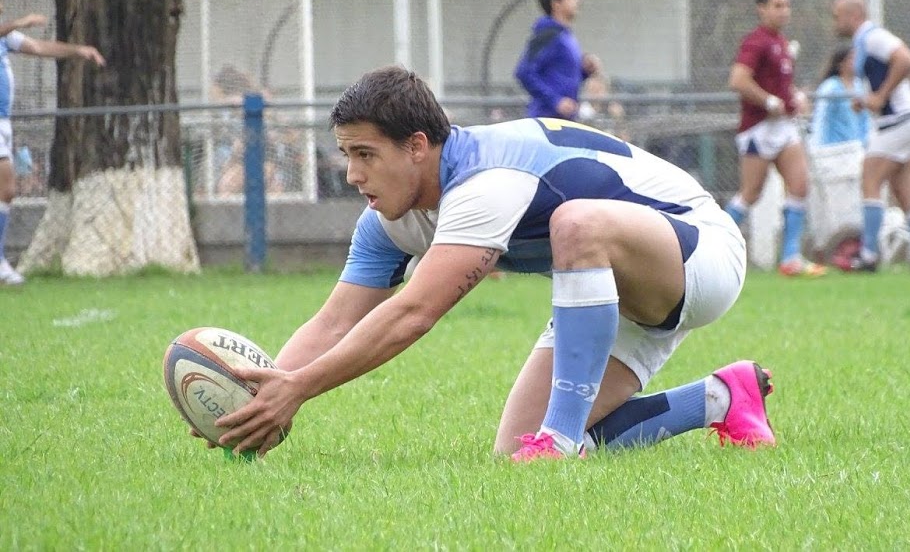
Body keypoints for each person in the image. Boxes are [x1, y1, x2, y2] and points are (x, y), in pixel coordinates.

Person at [211, 65, 775, 461]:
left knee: (575, 223)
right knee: (514, 451)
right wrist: (259, 400)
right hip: (606, 290)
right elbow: (334, 322)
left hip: (700, 253)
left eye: (366, 155)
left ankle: (558, 437)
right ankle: (723, 397)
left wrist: (300, 389)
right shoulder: (387, 219)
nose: (353, 174)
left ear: (416, 146)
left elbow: (415, 312)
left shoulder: (485, 181)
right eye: (346, 155)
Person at [829, 0, 910, 272]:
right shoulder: (862, 43)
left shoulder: (872, 37)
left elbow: (906, 60)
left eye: (837, 16)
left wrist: (880, 96)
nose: (834, 23)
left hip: (897, 121)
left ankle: (868, 255)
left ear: (854, 16)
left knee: (870, 180)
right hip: (908, 120)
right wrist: (868, 99)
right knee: (904, 191)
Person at [725, 0, 827, 277]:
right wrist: (769, 101)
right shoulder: (755, 42)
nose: (784, 11)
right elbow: (738, 80)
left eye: (787, 5)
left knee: (799, 185)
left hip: (783, 128)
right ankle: (710, 246)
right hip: (758, 129)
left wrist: (795, 97)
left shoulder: (781, 43)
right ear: (762, 9)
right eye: (777, 6)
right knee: (751, 193)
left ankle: (791, 258)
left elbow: (780, 87)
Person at [0, 5, 105, 284]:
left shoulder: (5, 38)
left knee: (5, 192)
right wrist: (21, 19)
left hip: (4, 123)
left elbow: (38, 47)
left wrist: (78, 51)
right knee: (7, 188)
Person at [514, 0, 602, 120]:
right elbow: (524, 72)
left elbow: (562, 76)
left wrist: (585, 71)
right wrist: (555, 101)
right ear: (556, 4)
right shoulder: (548, 35)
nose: (576, 1)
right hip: (548, 120)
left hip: (564, 119)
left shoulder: (565, 36)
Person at [810, 47, 870, 148]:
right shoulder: (830, 87)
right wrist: (818, 145)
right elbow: (822, 118)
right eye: (851, 58)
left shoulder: (860, 86)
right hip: (833, 147)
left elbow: (865, 118)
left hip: (857, 146)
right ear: (841, 64)